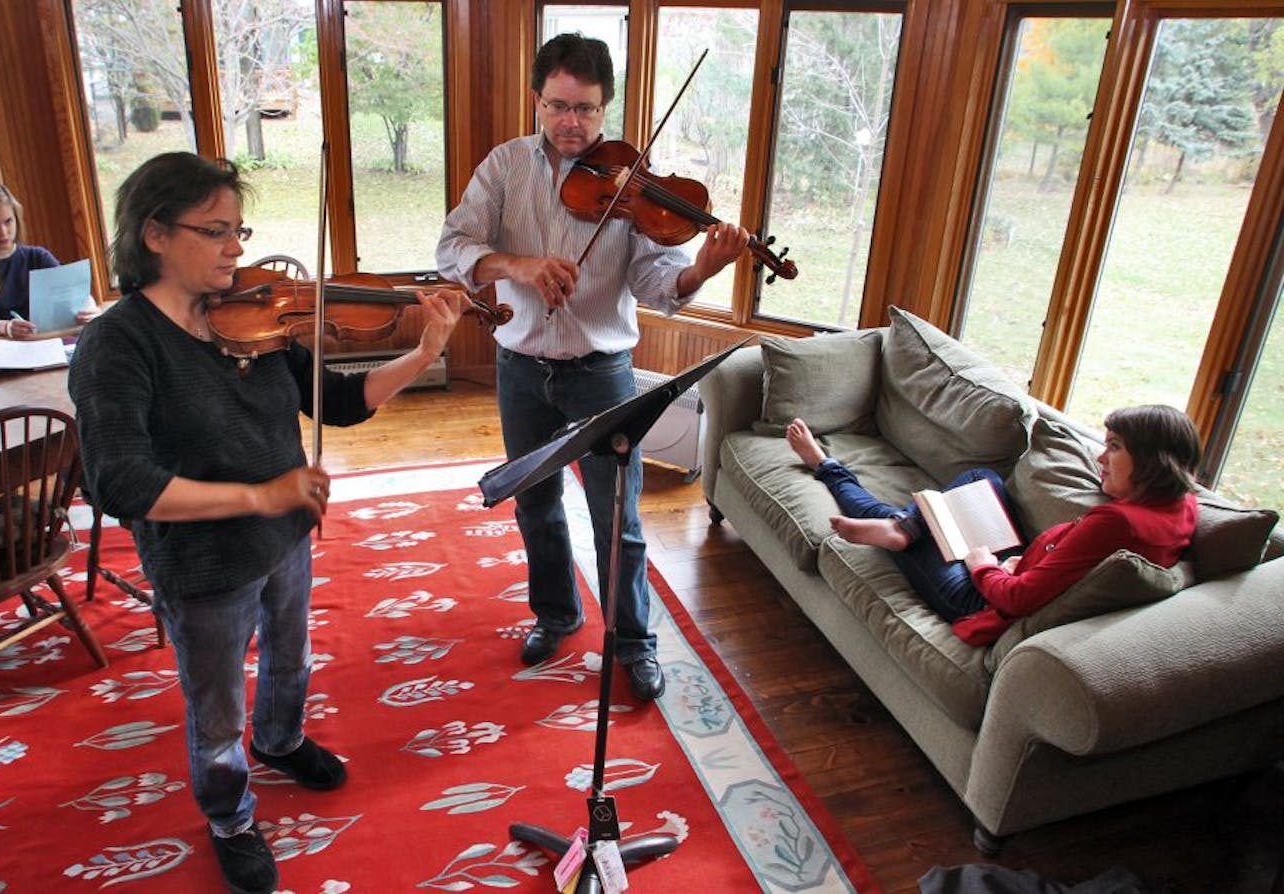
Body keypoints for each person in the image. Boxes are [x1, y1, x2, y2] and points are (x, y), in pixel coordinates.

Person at [68, 152, 465, 894]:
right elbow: (121, 482)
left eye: (238, 229)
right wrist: (263, 495)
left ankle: (281, 740)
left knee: (290, 657)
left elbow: (337, 401)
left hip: (285, 537)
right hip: (205, 563)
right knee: (215, 708)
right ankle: (229, 816)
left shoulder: (257, 312)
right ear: (154, 234)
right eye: (216, 231)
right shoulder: (117, 344)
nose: (236, 248)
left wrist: (423, 352)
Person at [435, 32, 750, 703]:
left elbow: (657, 280)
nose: (570, 122)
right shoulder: (504, 168)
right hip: (522, 366)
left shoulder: (633, 181)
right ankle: (556, 614)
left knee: (619, 519)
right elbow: (453, 245)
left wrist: (703, 266)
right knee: (536, 504)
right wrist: (518, 266)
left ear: (606, 107)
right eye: (557, 107)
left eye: (585, 108)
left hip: (603, 369)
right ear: (536, 101)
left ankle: (633, 642)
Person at [785, 405, 1201, 645]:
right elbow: (1065, 567)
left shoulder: (1117, 523)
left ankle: (826, 466)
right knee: (981, 478)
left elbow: (1018, 602)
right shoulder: (1181, 507)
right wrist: (1014, 561)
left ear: (1152, 461)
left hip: (981, 597)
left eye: (1114, 447)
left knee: (886, 516)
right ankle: (909, 527)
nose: (1100, 459)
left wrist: (984, 564)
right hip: (1010, 565)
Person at [0, 181, 101, 338]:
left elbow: (73, 293)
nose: (3, 232)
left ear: (17, 219)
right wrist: (6, 327)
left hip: (43, 341)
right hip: (0, 346)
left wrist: (89, 308)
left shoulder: (37, 257)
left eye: (8, 221)